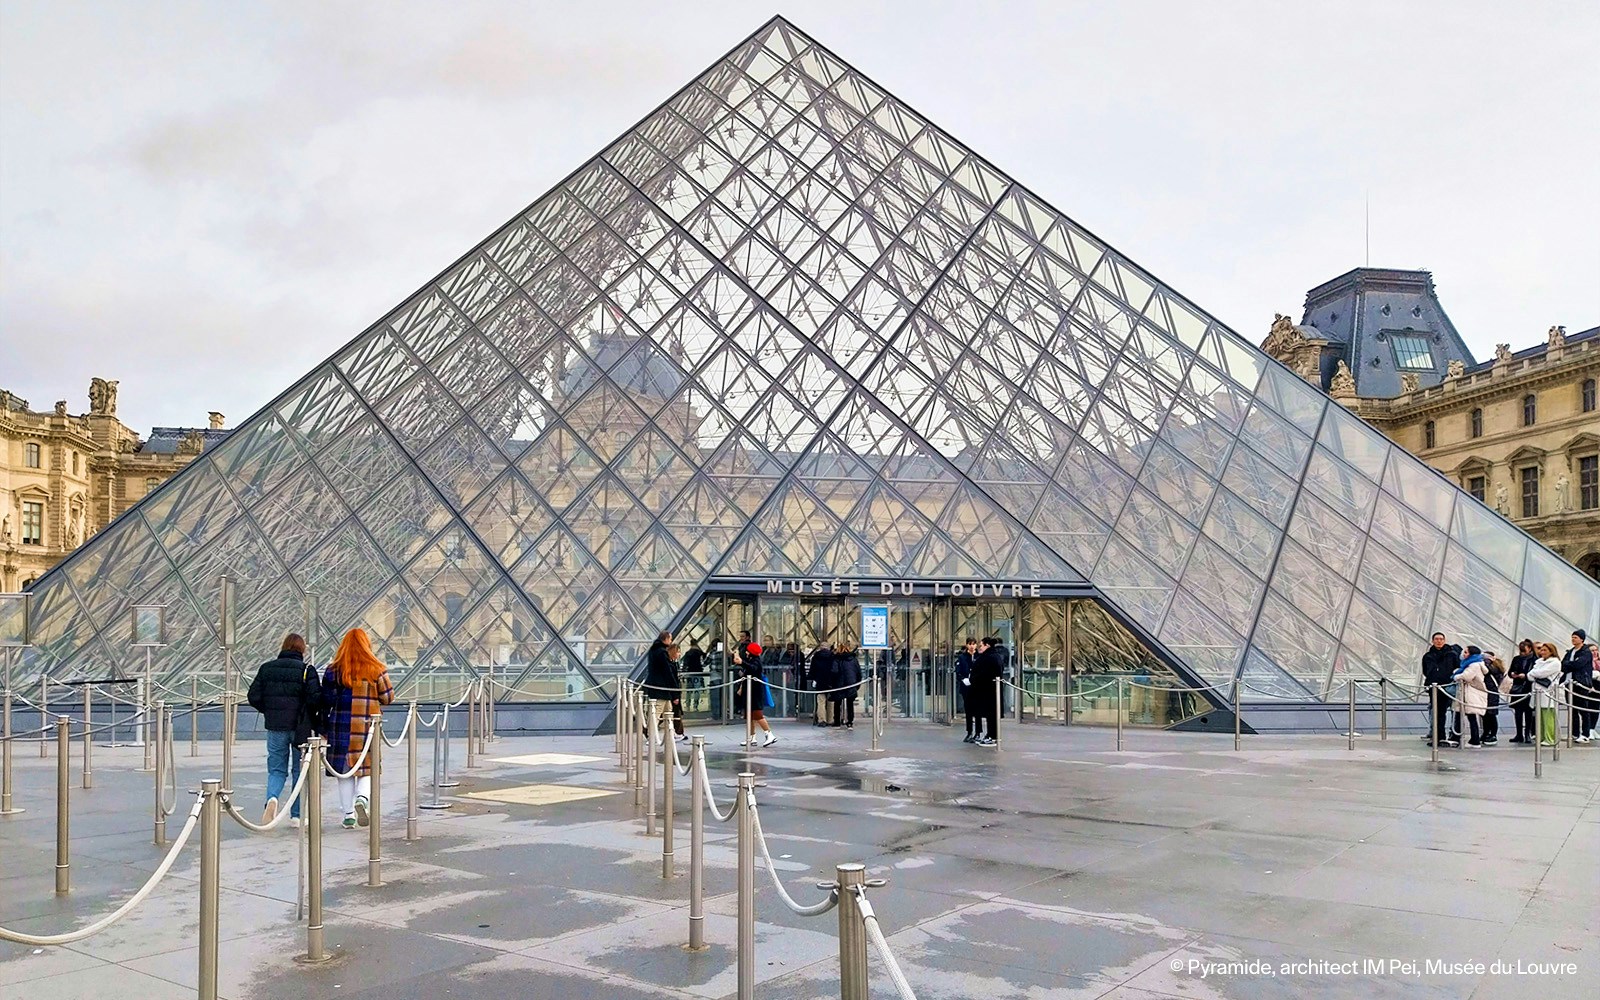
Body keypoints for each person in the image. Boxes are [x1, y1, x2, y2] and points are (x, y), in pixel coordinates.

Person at [320, 628, 396, 829]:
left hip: (340, 727)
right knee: (366, 769)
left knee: (344, 772)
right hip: (366, 726)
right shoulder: (376, 668)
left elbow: (325, 699)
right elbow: (388, 697)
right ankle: (362, 799)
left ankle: (348, 815)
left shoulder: (333, 670)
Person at [246, 633, 324, 826]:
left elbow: (253, 696)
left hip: (275, 727)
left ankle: (272, 799)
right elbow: (316, 699)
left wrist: (270, 711)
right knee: (299, 771)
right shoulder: (307, 670)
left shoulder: (267, 668)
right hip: (300, 728)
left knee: (276, 769)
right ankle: (296, 815)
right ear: (302, 649)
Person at [642, 630, 684, 742]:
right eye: (670, 639)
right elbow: (667, 672)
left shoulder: (654, 650)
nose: (671, 641)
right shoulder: (661, 652)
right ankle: (651, 736)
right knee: (658, 713)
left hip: (658, 687)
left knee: (668, 712)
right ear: (665, 639)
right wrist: (675, 693)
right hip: (661, 688)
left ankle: (671, 733)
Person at [1420, 632, 1460, 747]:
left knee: (1454, 711)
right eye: (1436, 639)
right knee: (1437, 713)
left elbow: (1457, 668)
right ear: (1432, 641)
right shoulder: (1428, 656)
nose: (1439, 641)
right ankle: (1439, 737)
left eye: (1441, 639)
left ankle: (1454, 736)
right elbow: (1425, 671)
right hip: (1435, 687)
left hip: (1448, 687)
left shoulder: (1452, 654)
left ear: (1444, 640)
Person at [734, 641, 776, 748]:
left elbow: (753, 668)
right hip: (749, 691)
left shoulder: (756, 662)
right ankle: (751, 736)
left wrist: (742, 662)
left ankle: (769, 734)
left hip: (755, 692)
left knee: (758, 715)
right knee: (749, 715)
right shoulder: (751, 660)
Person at [1560, 629, 1595, 744]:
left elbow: (1578, 664)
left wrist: (1569, 665)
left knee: (1583, 709)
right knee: (1572, 709)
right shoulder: (1570, 652)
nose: (1573, 639)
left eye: (1575, 637)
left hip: (1580, 683)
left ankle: (1585, 734)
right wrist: (1570, 664)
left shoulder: (1585, 652)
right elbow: (1563, 664)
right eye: (1572, 637)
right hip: (1568, 682)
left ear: (1581, 639)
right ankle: (1574, 733)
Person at [1529, 642, 1563, 747]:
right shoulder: (1538, 662)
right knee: (1539, 717)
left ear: (1551, 651)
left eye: (1545, 650)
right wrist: (1535, 674)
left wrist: (1535, 674)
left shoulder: (1555, 663)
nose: (1542, 652)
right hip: (1538, 692)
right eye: (1541, 650)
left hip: (1548, 692)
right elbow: (1530, 675)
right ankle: (1541, 736)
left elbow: (1540, 673)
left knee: (1548, 716)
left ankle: (1550, 738)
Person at [971, 637, 1003, 747]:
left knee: (991, 714)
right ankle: (991, 735)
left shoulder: (989, 657)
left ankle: (992, 736)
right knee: (991, 714)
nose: (979, 648)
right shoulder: (993, 656)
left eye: (981, 645)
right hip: (990, 689)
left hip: (988, 690)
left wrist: (973, 679)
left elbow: (984, 673)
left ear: (987, 645)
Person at [1455, 647, 1488, 748]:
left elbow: (1467, 676)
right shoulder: (1476, 664)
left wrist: (1456, 675)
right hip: (1472, 693)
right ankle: (1470, 738)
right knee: (1470, 717)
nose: (1463, 654)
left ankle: (1475, 740)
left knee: (1471, 717)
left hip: (1471, 694)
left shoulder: (1473, 665)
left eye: (1466, 652)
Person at [1507, 640, 1537, 743]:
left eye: (1524, 650)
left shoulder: (1535, 660)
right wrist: (1513, 674)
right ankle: (1519, 734)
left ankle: (1527, 734)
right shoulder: (1516, 659)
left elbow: (1536, 673)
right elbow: (1509, 672)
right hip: (1518, 688)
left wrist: (1526, 676)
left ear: (1530, 648)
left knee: (1528, 712)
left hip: (1529, 688)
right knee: (1518, 712)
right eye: (1521, 650)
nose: (1522, 653)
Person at [955, 637, 978, 742]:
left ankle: (978, 732)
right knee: (968, 710)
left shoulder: (979, 656)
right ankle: (969, 732)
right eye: (970, 644)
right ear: (967, 645)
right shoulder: (962, 657)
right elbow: (958, 671)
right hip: (966, 686)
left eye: (974, 644)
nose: (972, 646)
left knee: (978, 710)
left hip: (977, 686)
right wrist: (963, 679)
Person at [832, 641, 859, 729]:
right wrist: (857, 684)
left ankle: (837, 721)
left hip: (838, 684)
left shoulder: (836, 659)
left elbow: (834, 672)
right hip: (851, 683)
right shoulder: (853, 659)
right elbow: (858, 672)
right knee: (850, 703)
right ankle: (850, 721)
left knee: (837, 703)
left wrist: (832, 683)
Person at [1481, 652, 1505, 746]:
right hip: (1488, 692)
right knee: (1486, 715)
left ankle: (1492, 734)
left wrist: (1485, 662)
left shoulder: (1494, 667)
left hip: (1491, 692)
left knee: (1491, 714)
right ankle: (1486, 733)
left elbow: (1489, 671)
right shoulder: (1496, 666)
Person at [810, 641, 835, 727]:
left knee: (821, 701)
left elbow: (812, 670)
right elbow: (835, 669)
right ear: (828, 647)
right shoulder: (832, 656)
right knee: (831, 701)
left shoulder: (816, 657)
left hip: (820, 681)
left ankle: (821, 720)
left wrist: (813, 678)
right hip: (831, 682)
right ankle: (830, 719)